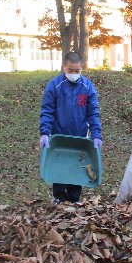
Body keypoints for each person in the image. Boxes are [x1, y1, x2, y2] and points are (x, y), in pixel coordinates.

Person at [40, 52, 102, 204]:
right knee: (60, 165)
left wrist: (96, 134)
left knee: (77, 166)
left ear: (82, 69)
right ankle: (59, 197)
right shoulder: (54, 86)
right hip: (59, 135)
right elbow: (47, 110)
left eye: (77, 71)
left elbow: (93, 112)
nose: (73, 74)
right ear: (64, 68)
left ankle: (74, 198)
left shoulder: (87, 87)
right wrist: (45, 132)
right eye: (70, 70)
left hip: (80, 136)